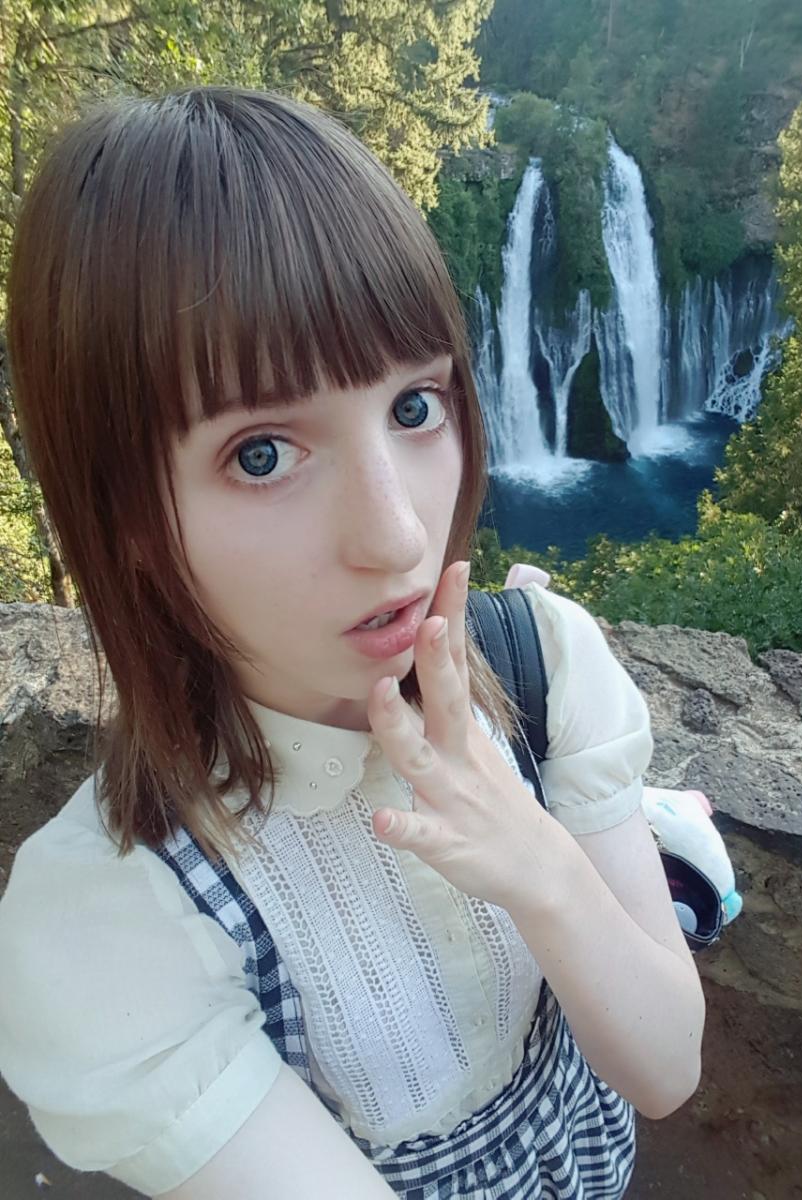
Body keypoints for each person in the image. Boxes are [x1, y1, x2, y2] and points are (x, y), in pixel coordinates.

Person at [0, 87, 705, 1199]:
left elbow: (664, 1071)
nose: (398, 535)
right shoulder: (116, 922)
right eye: (264, 455)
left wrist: (543, 871)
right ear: (123, 514)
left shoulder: (546, 668)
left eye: (415, 407)